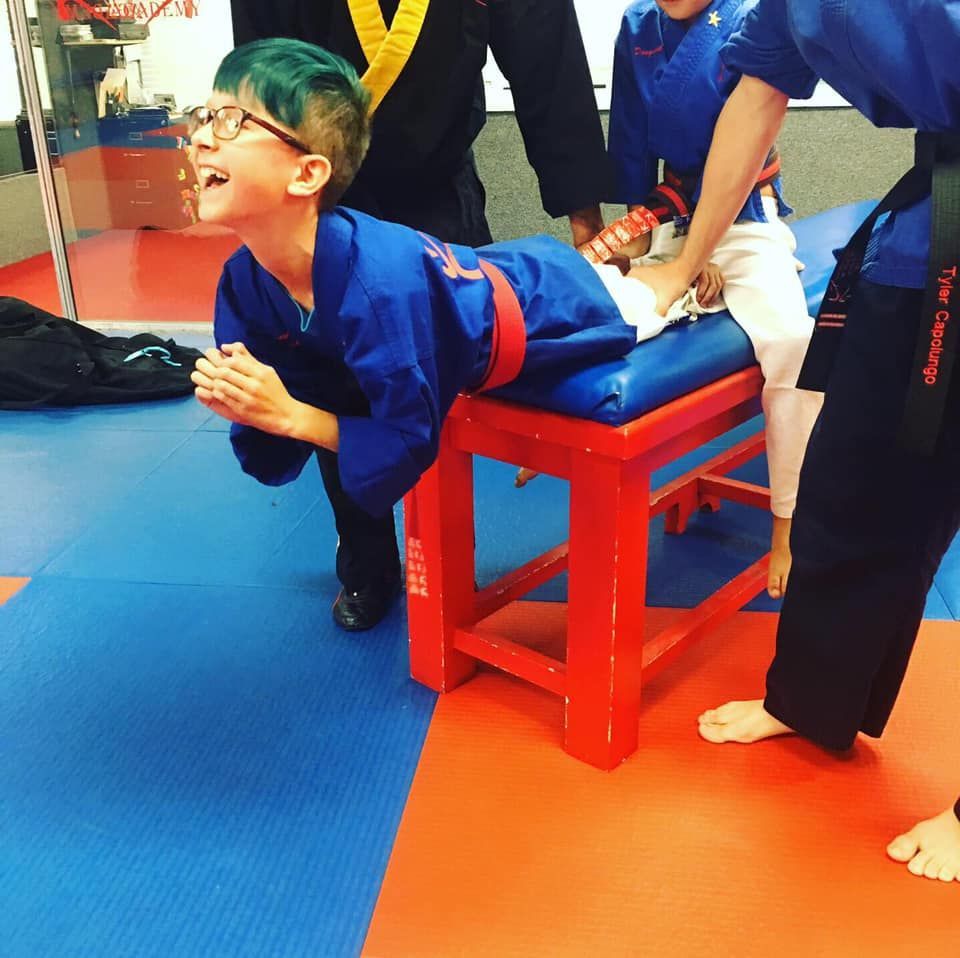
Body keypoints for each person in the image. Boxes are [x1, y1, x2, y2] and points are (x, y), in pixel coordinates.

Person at [628, 0, 960, 883]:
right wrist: (680, 258)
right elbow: (754, 97)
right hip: (925, 244)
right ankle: (811, 701)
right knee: (848, 488)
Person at [188, 39, 693, 610]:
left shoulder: (377, 287)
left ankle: (690, 260)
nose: (202, 135)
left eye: (231, 121)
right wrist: (252, 405)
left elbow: (409, 437)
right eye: (203, 116)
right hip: (472, 279)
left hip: (540, 305)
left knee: (647, 298)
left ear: (307, 174)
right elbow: (275, 416)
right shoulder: (243, 280)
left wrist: (293, 416)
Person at [607, 0, 822, 599]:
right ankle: (554, 413)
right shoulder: (636, 27)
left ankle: (790, 520)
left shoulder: (753, 18)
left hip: (747, 220)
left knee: (790, 341)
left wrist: (693, 265)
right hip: (671, 218)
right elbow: (630, 150)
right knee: (607, 305)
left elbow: (752, 131)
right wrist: (640, 258)